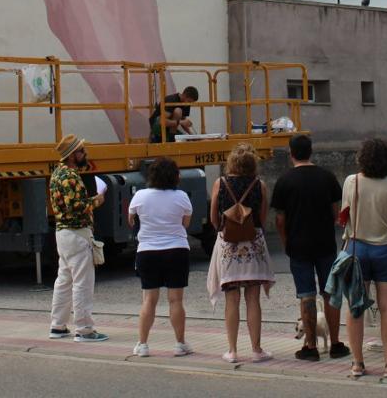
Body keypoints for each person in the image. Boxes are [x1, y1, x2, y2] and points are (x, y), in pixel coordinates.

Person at [271, 134, 348, 361]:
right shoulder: (327, 177)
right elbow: (337, 212)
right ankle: (335, 343)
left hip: (298, 246)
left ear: (291, 153)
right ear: (311, 151)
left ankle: (311, 346)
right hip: (325, 244)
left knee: (306, 295)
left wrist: (286, 243)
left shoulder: (284, 181)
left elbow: (280, 220)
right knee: (330, 293)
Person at [340, 138, 387, 379]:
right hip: (386, 250)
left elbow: (344, 214)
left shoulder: (351, 181)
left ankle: (357, 363)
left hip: (357, 250)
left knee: (355, 306)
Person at [207, 143, 276, 363]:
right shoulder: (260, 184)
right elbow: (263, 217)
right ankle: (256, 349)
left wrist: (224, 230)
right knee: (253, 298)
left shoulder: (221, 183)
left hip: (228, 246)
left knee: (231, 299)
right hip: (253, 244)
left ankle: (233, 350)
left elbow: (213, 217)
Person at [128, 156, 194, 358]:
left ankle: (143, 344)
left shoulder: (140, 196)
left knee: (149, 299)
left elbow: (131, 220)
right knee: (175, 300)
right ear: (175, 176)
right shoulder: (181, 196)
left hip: (147, 251)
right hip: (176, 250)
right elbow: (185, 224)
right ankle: (180, 344)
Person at [48, 134, 108, 343]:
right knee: (82, 283)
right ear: (74, 155)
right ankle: (84, 329)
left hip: (62, 234)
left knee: (63, 280)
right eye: (82, 151)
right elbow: (77, 207)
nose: (86, 154)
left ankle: (58, 325)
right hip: (77, 233)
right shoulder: (71, 176)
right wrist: (97, 200)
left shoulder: (57, 173)